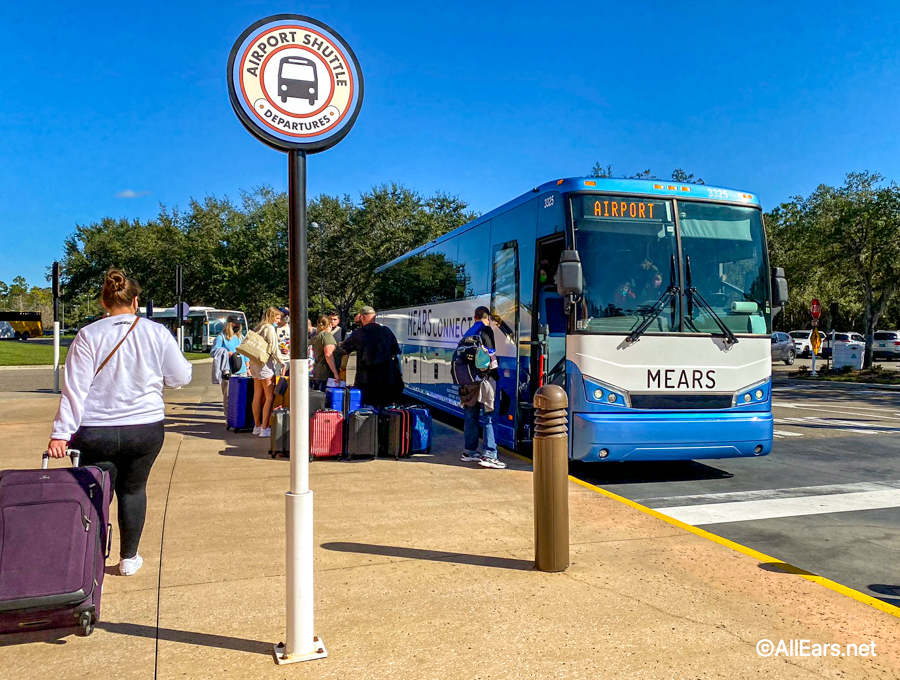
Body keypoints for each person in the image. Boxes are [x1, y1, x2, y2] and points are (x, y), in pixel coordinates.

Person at [47, 269, 192, 576]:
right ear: (136, 300)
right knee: (133, 489)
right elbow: (180, 377)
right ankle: (128, 557)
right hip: (144, 426)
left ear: (104, 301)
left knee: (98, 491)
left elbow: (75, 389)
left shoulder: (88, 335)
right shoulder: (156, 332)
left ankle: (92, 554)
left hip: (96, 428)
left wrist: (61, 432)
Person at [458, 306, 506, 469]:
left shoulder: (468, 332)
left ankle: (469, 451)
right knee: (489, 415)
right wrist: (496, 373)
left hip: (468, 380)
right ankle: (490, 454)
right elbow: (491, 354)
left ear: (474, 317)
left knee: (470, 414)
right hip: (484, 380)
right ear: (488, 318)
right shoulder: (486, 330)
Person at [339, 305, 402, 407]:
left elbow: (344, 349)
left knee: (367, 409)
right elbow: (395, 352)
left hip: (366, 379)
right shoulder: (387, 331)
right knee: (385, 407)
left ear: (362, 317)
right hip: (386, 378)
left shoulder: (359, 333)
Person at [248, 307, 283, 438]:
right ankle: (264, 427)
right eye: (277, 318)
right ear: (272, 317)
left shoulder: (258, 328)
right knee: (269, 396)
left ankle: (257, 426)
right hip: (265, 365)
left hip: (254, 364)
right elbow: (273, 349)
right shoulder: (269, 329)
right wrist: (282, 361)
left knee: (257, 395)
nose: (278, 321)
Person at [210, 316, 248, 420]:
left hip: (242, 370)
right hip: (228, 371)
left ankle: (240, 416)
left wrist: (248, 367)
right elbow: (213, 352)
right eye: (235, 324)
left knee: (242, 396)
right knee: (228, 396)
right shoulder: (221, 337)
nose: (237, 326)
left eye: (239, 325)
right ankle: (229, 417)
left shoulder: (241, 337)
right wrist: (226, 353)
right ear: (229, 324)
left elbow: (245, 354)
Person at [311, 315, 340, 389]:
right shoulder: (327, 336)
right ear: (329, 325)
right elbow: (328, 354)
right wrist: (335, 373)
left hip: (315, 372)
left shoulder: (314, 337)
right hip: (325, 374)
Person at [275, 306, 291, 376]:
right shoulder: (274, 329)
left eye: (287, 315)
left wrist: (289, 350)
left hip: (289, 360)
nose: (286, 317)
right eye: (284, 315)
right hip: (278, 361)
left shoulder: (292, 328)